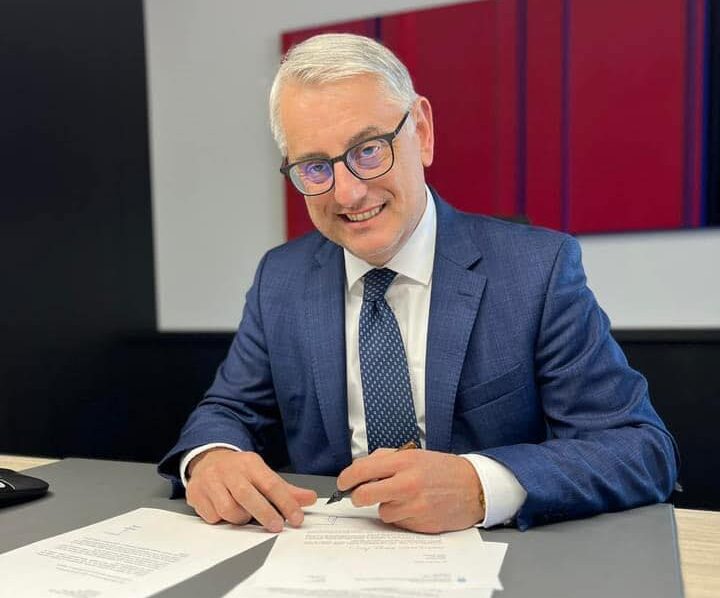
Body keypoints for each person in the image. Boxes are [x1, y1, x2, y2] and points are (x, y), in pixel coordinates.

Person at [158, 33, 678, 534]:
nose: (348, 194)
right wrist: (211, 458)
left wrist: (481, 485)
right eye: (315, 167)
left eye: (368, 150)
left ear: (422, 132)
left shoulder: (536, 270)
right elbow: (228, 410)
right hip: (321, 556)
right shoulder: (281, 278)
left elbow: (639, 449)